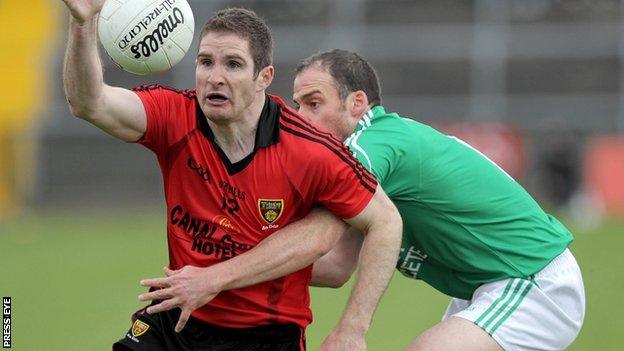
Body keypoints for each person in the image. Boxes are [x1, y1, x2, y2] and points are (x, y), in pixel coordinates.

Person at [61, 2, 402, 350]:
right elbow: (89, 103)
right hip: (177, 318)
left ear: (264, 79)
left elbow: (386, 222)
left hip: (264, 335)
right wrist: (82, 23)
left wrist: (353, 329)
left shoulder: (310, 150)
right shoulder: (175, 116)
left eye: (233, 65)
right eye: (205, 62)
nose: (215, 77)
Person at [292, 49, 586, 351]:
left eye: (314, 104)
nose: (300, 118)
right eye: (297, 105)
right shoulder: (381, 147)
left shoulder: (369, 146)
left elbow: (316, 236)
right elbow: (335, 265)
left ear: (357, 103)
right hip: (490, 284)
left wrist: (351, 330)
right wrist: (251, 270)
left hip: (531, 279)